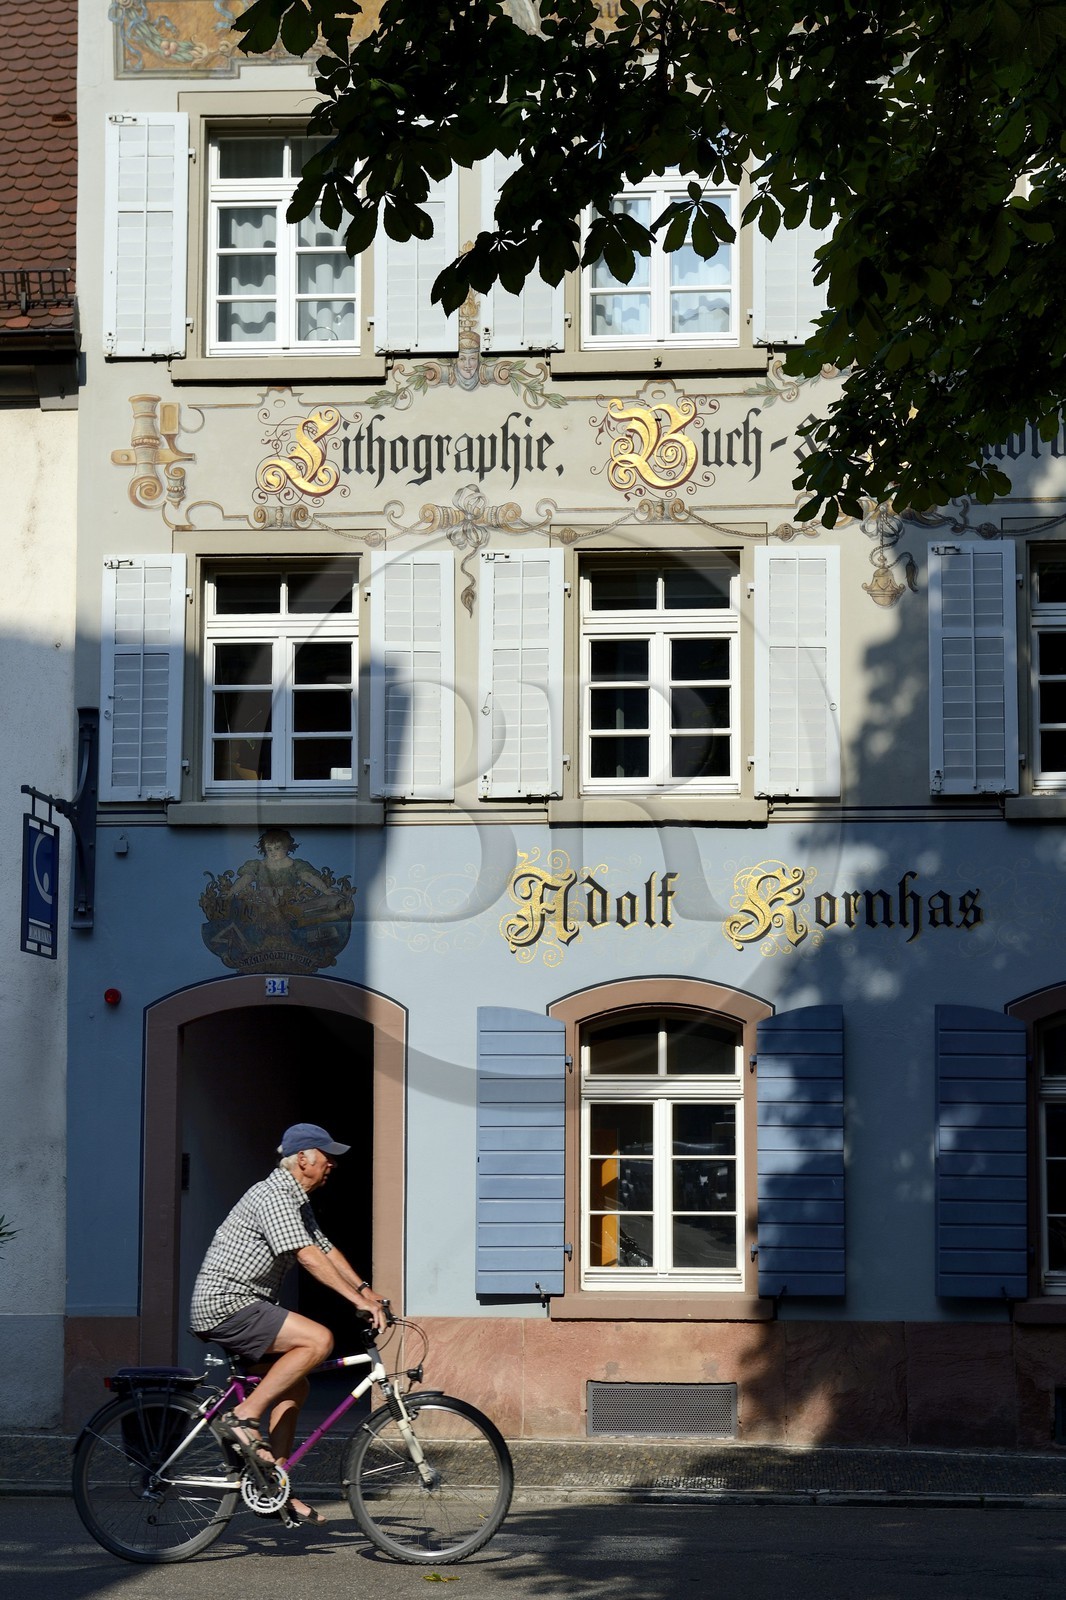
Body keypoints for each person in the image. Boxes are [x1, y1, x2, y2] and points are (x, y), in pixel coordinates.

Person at [189, 1122, 386, 1524]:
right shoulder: (275, 1194)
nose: (332, 1164)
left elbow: (325, 1249)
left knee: (297, 1382)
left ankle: (275, 1484)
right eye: (326, 1156)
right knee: (318, 1340)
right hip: (226, 1304)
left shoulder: (297, 1201)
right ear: (302, 1158)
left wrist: (365, 1292)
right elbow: (307, 1257)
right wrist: (353, 1301)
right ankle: (243, 1419)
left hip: (244, 1304)